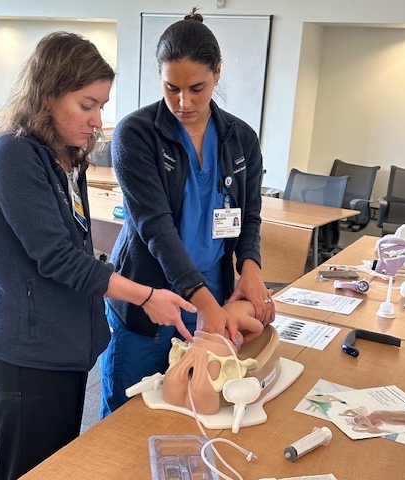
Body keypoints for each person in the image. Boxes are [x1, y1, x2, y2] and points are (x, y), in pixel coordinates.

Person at [0, 31, 196, 480]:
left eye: (102, 106)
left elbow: (76, 246)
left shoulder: (62, 159)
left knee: (58, 468)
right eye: (86, 105)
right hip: (28, 359)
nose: (97, 120)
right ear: (47, 94)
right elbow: (59, 258)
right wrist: (146, 295)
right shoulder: (11, 154)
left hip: (65, 353)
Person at [99, 9, 276, 418]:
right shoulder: (136, 134)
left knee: (199, 405)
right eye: (171, 88)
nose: (184, 102)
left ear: (217, 72)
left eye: (197, 88)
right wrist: (206, 306)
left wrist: (250, 269)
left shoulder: (240, 138)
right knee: (130, 410)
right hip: (151, 292)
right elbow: (155, 227)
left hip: (212, 288)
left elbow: (248, 216)